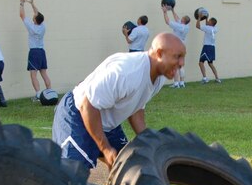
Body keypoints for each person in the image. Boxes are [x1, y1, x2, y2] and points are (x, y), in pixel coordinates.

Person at [52, 32, 185, 172]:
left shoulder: (159, 77)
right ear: (159, 53)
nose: (182, 63)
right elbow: (87, 105)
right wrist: (105, 148)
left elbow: (136, 107)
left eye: (183, 57)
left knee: (126, 169)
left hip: (107, 123)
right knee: (72, 178)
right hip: (78, 114)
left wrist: (148, 140)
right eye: (177, 57)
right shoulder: (127, 72)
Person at [19, 0, 52, 100]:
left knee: (33, 75)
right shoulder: (43, 26)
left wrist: (22, 3)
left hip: (34, 52)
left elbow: (22, 15)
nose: (33, 15)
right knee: (44, 73)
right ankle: (49, 91)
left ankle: (38, 95)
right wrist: (32, 4)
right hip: (42, 52)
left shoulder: (32, 27)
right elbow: (38, 14)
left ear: (35, 19)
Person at [162, 5, 190, 87]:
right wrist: (173, 10)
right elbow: (177, 19)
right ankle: (182, 82)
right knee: (181, 66)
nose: (180, 18)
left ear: (183, 20)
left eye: (182, 18)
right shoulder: (186, 26)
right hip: (182, 48)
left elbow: (167, 21)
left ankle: (176, 83)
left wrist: (165, 12)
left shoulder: (179, 26)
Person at [197, 15, 221, 84]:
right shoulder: (215, 28)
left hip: (207, 47)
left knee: (201, 62)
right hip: (212, 47)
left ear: (211, 22)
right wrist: (206, 18)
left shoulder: (207, 28)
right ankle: (217, 78)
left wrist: (199, 18)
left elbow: (197, 26)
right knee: (210, 63)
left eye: (209, 20)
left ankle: (205, 78)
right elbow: (208, 25)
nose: (208, 21)